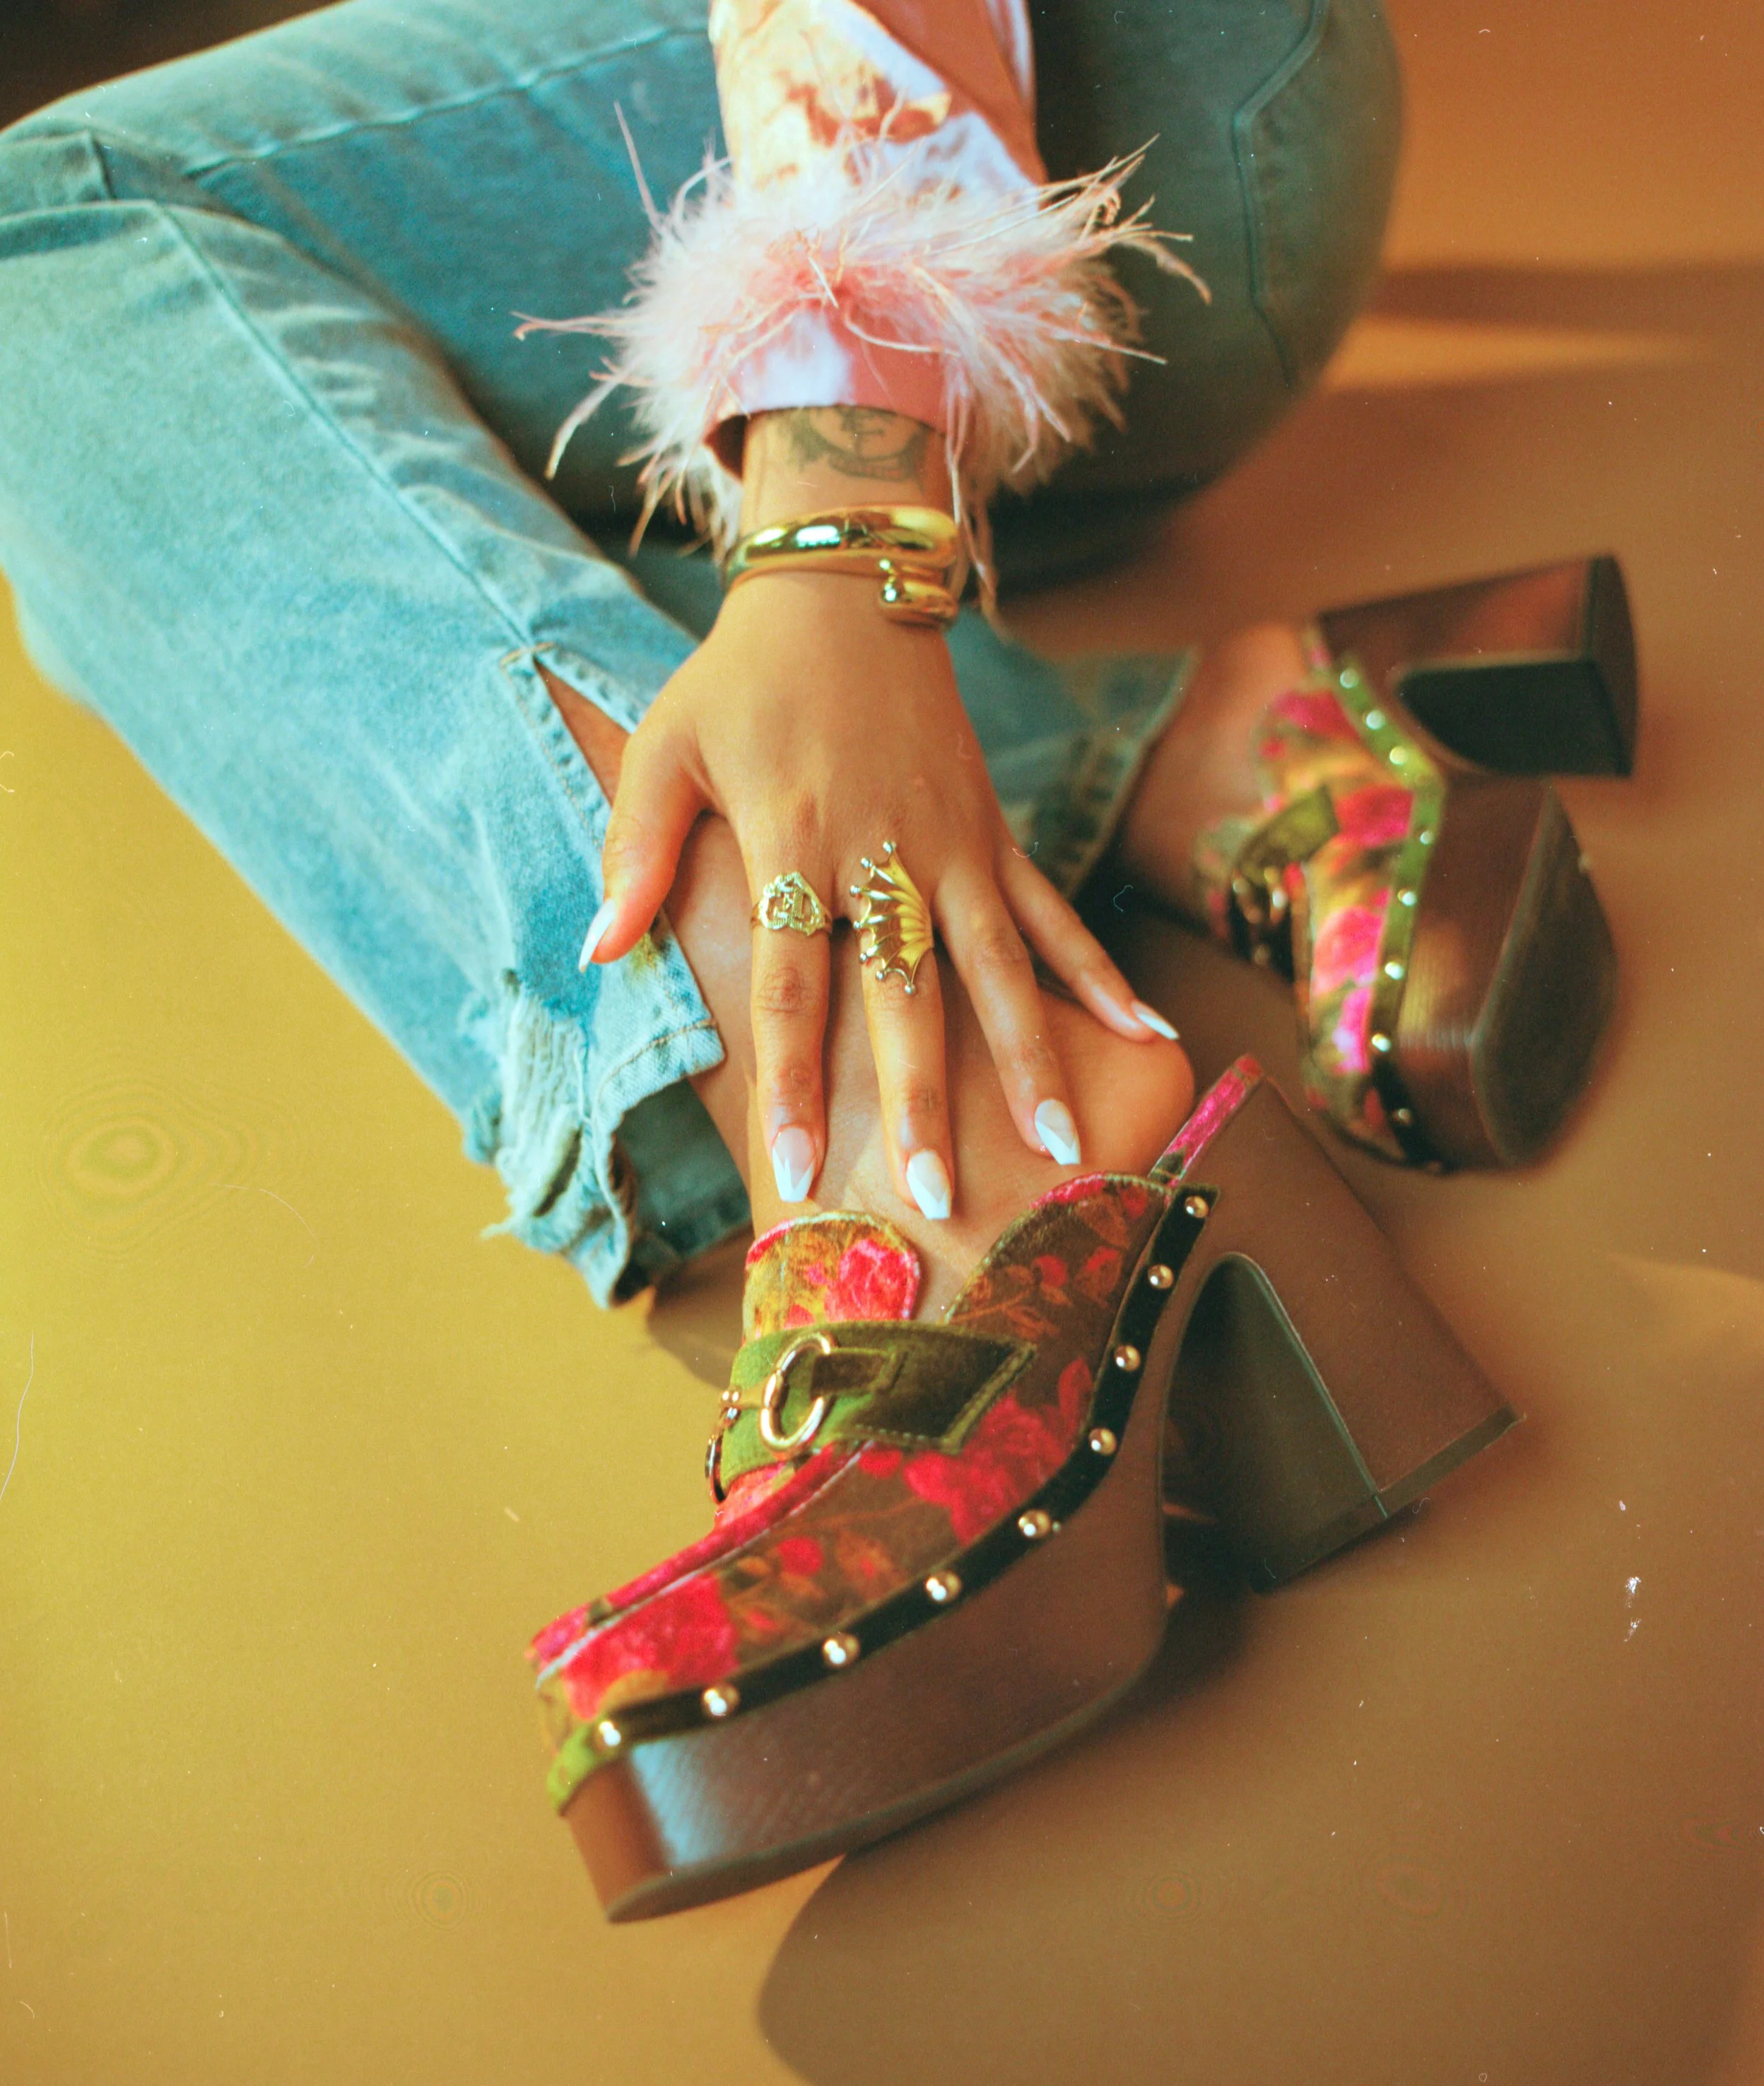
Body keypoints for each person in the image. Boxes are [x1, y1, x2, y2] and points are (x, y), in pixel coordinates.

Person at [1, 0, 1591, 1914]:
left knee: (48, 256)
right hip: (824, 245)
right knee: (150, 487)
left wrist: (844, 530)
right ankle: (1163, 755)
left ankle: (856, 1067)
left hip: (1095, 104)